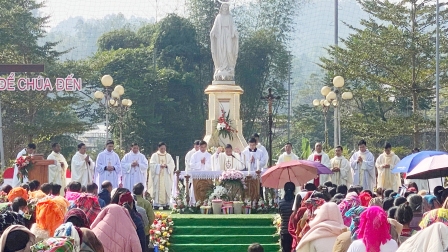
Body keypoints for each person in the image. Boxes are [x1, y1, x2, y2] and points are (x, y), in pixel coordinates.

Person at [210, 2, 239, 81]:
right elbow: (215, 26)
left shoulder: (230, 17)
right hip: (220, 35)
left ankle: (229, 68)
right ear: (222, 8)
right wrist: (212, 32)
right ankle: (221, 68)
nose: (225, 9)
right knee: (221, 51)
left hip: (228, 35)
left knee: (229, 50)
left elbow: (233, 26)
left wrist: (235, 32)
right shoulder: (218, 17)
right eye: (224, 7)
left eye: (226, 7)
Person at [148, 142, 175, 209]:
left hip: (166, 175)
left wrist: (167, 166)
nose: (163, 150)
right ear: (158, 148)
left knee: (166, 188)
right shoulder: (154, 155)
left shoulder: (168, 156)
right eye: (161, 148)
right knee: (157, 189)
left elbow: (172, 165)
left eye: (164, 148)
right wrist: (159, 166)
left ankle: (166, 204)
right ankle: (156, 204)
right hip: (158, 176)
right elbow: (151, 165)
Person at [133, 182, 155, 248]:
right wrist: (147, 226)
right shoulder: (146, 203)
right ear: (142, 191)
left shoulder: (129, 201)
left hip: (132, 231)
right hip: (145, 231)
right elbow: (151, 218)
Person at [278, 182, 295, 252]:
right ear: (294, 190)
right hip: (294, 230)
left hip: (284, 230)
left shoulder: (281, 202)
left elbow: (280, 213)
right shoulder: (296, 202)